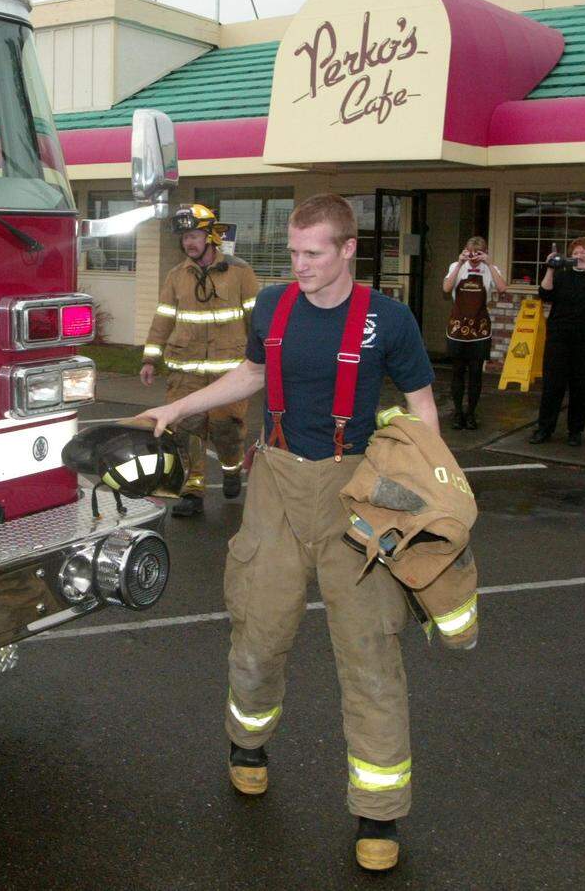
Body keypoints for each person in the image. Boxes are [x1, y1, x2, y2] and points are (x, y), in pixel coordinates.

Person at [138, 194, 438, 872]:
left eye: (312, 253)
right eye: (293, 253)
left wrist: (426, 502)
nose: (298, 265)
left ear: (347, 250)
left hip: (354, 491)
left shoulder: (388, 320)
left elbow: (422, 413)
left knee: (370, 654)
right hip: (274, 482)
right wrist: (178, 407)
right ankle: (246, 742)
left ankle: (378, 812)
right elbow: (249, 374)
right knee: (258, 635)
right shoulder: (272, 306)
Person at [139, 203, 259, 518]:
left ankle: (231, 469)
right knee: (186, 430)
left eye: (194, 235)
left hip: (228, 374)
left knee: (226, 429)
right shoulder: (176, 276)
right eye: (184, 238)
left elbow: (257, 318)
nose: (188, 243)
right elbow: (163, 317)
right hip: (185, 370)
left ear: (210, 237)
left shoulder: (240, 272)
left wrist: (263, 359)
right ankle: (192, 490)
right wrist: (151, 357)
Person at [530, 237, 585, 447]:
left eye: (583, 254)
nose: (578, 258)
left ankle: (575, 431)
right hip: (559, 339)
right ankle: (544, 429)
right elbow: (544, 294)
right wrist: (550, 268)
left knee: (581, 387)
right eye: (575, 254)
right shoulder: (562, 276)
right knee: (552, 387)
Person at [441, 235, 506, 430]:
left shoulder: (489, 269)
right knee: (458, 371)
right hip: (458, 326)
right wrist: (461, 264)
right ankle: (458, 413)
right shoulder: (456, 266)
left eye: (478, 253)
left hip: (480, 326)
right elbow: (446, 288)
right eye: (471, 253)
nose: (474, 257)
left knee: (476, 372)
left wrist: (490, 263)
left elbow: (502, 288)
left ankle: (471, 414)